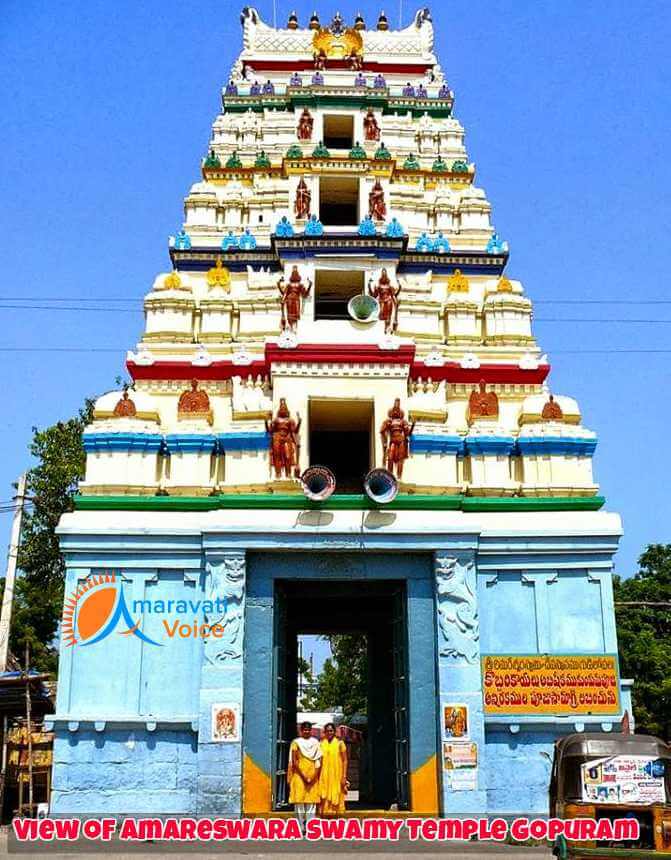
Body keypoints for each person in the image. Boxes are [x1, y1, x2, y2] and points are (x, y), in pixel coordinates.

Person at [287, 722, 322, 833]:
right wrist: (304, 776)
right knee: (299, 802)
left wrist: (313, 776)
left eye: (308, 729)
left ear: (311, 730)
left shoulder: (315, 742)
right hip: (299, 775)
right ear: (301, 731)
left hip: (312, 774)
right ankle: (300, 826)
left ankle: (310, 826)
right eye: (304, 730)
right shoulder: (296, 743)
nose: (306, 731)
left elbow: (318, 761)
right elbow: (294, 761)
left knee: (311, 802)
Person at [319, 723, 348, 817]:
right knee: (324, 796)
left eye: (331, 731)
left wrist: (344, 776)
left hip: (337, 775)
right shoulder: (321, 744)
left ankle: (336, 822)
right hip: (324, 775)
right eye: (327, 731)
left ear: (334, 732)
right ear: (325, 732)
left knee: (337, 796)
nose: (329, 733)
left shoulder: (340, 743)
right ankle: (325, 821)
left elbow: (345, 760)